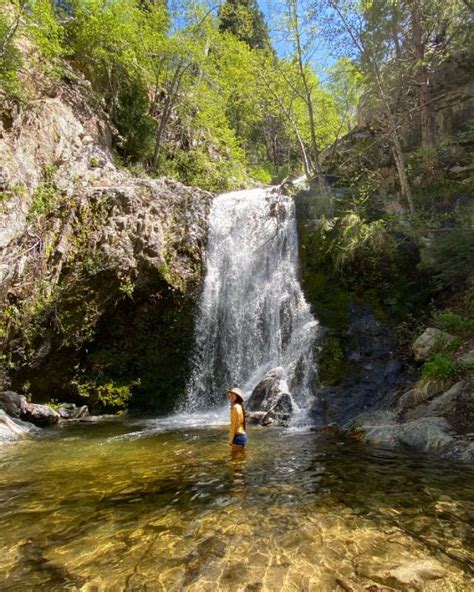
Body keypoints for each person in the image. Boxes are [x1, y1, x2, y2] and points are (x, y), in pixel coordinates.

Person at [227, 387, 248, 453]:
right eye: (230, 395)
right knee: (241, 458)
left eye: (233, 395)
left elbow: (235, 425)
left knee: (233, 459)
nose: (231, 396)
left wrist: (231, 440)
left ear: (237, 396)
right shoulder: (238, 406)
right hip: (241, 436)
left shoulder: (236, 407)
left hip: (238, 437)